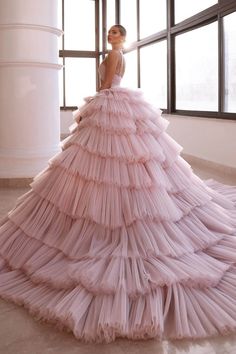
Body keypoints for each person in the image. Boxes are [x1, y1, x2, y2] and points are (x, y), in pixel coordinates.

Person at [0, 24, 236, 344]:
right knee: (122, 166)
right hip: (121, 103)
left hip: (110, 104)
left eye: (115, 33)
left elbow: (106, 84)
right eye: (110, 33)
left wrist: (89, 112)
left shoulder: (112, 55)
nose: (111, 36)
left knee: (102, 165)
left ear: (121, 38)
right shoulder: (120, 54)